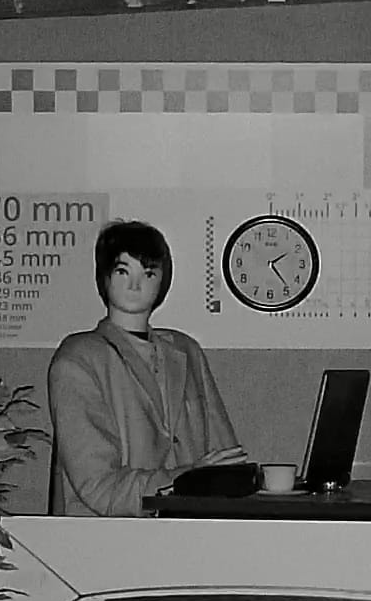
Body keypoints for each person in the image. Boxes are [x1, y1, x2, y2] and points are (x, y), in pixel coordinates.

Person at [47, 221, 247, 516]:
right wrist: (186, 480)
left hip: (191, 530)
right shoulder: (78, 359)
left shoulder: (186, 351)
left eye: (148, 273)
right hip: (108, 534)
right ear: (104, 276)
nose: (135, 284)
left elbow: (226, 457)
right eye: (123, 271)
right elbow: (97, 486)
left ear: (163, 280)